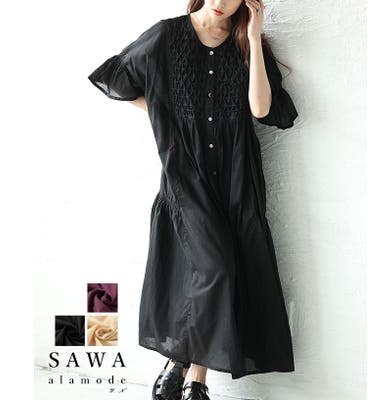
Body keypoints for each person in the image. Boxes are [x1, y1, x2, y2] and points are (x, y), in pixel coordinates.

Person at [88, 1, 298, 399]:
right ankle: (186, 368)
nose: (220, 3)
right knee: (218, 268)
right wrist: (163, 114)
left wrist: (254, 39)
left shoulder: (244, 43)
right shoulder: (166, 35)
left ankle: (190, 375)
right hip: (186, 174)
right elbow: (116, 78)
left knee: (222, 271)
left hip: (237, 177)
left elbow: (262, 109)